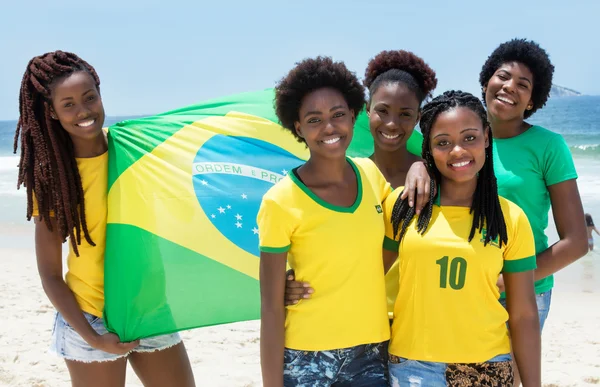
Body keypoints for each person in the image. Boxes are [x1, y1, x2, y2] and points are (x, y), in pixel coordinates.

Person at [14, 51, 195, 387]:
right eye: (68, 104)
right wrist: (93, 338)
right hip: (91, 318)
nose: (83, 110)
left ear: (100, 94)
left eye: (89, 97)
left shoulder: (132, 150)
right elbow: (51, 274)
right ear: (52, 112)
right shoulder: (54, 179)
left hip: (149, 307)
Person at [383, 90, 540, 386]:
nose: (457, 151)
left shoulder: (510, 218)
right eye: (443, 142)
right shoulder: (403, 206)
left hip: (488, 367)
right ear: (428, 149)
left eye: (469, 137)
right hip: (412, 366)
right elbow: (366, 276)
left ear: (486, 138)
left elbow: (523, 315)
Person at [258, 56, 390, 387]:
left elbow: (403, 237)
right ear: (298, 127)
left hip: (372, 353)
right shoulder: (280, 200)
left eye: (338, 115)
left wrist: (420, 167)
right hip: (307, 358)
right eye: (314, 119)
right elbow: (271, 311)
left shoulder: (372, 176)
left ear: (353, 115)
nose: (329, 128)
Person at [284, 50, 437, 321]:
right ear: (366, 111)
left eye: (405, 114)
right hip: (363, 321)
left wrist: (423, 165)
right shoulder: (350, 178)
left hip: (420, 321)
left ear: (418, 118)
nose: (392, 123)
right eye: (382, 110)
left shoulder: (435, 176)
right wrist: (288, 281)